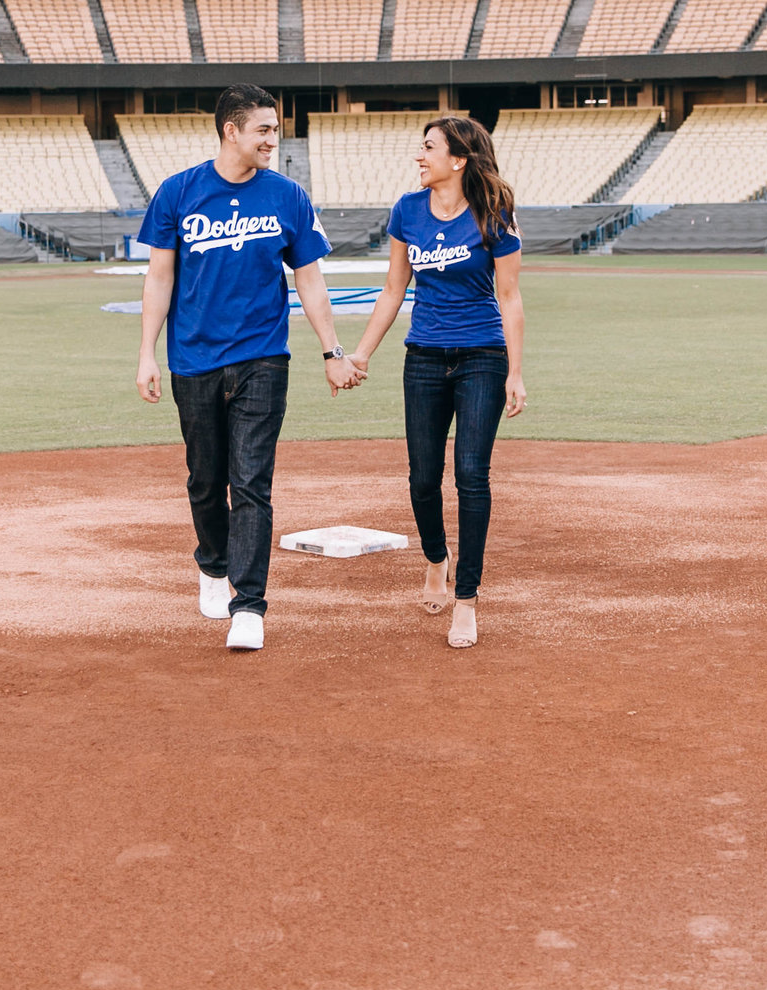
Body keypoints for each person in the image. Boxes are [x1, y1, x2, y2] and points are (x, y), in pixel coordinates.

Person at [136, 84, 359, 652]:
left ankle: (250, 604)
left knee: (252, 482)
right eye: (263, 129)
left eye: (274, 129)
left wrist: (333, 352)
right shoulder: (177, 193)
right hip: (194, 360)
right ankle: (212, 564)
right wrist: (147, 354)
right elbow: (159, 278)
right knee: (206, 481)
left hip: (263, 358)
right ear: (230, 131)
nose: (272, 139)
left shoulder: (288, 196)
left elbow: (309, 278)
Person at [346, 115, 525, 650]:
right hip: (423, 357)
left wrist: (516, 371)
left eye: (428, 148)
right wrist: (360, 353)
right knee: (423, 479)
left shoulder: (495, 213)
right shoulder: (406, 210)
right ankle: (435, 559)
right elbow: (393, 290)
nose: (418, 157)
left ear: (459, 159)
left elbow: (510, 298)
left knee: (472, 475)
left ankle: (466, 599)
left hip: (482, 357)